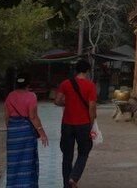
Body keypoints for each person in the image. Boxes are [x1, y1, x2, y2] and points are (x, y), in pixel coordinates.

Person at [55, 59, 97, 188]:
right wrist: (91, 123)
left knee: (67, 155)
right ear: (87, 71)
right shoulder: (90, 86)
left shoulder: (66, 83)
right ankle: (74, 177)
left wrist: (67, 104)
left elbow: (57, 101)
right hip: (83, 124)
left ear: (76, 70)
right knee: (84, 152)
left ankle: (66, 185)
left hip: (67, 124)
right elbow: (92, 106)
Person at [4, 75, 49, 188]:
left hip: (13, 132)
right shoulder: (31, 96)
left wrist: (12, 130)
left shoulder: (10, 96)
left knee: (13, 160)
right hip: (26, 132)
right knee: (28, 160)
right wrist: (42, 133)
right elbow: (32, 117)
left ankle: (12, 185)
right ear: (28, 85)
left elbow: (6, 117)